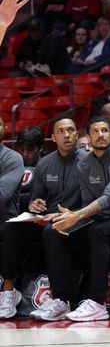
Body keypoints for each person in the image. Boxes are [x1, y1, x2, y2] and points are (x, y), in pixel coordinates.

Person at [52, 116, 110, 322]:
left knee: (97, 230)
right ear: (88, 137)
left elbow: (109, 197)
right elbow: (88, 200)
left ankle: (97, 301)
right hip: (102, 216)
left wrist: (77, 215)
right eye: (95, 131)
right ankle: (60, 299)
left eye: (105, 130)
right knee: (54, 231)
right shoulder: (84, 163)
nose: (101, 134)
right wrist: (66, 217)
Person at [0, 118, 83, 321]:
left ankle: (61, 300)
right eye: (61, 131)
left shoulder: (89, 162)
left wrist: (69, 215)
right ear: (53, 137)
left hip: (79, 218)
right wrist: (34, 206)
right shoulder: (45, 164)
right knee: (13, 228)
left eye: (71, 130)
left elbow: (94, 201)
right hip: (48, 218)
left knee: (52, 231)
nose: (66, 135)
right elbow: (37, 198)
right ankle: (8, 290)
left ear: (77, 135)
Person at [0, 115, 24, 318]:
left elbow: (2, 196)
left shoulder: (12, 158)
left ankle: (9, 290)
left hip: (5, 218)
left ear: (4, 128)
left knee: (11, 230)